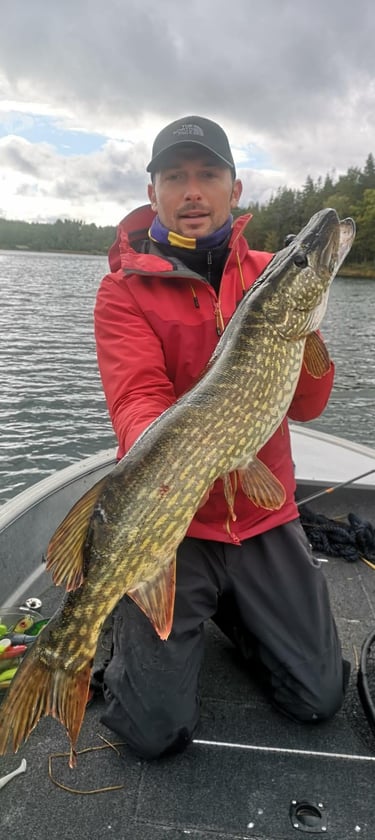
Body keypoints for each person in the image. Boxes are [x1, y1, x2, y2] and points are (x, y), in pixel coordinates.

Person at [93, 115, 349, 760]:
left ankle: (233, 611)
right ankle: (123, 624)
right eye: (175, 177)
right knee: (152, 734)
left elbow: (312, 406)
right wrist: (180, 455)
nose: (193, 191)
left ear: (235, 190)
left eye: (208, 175)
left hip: (264, 516)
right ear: (153, 193)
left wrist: (301, 328)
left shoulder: (270, 272)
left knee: (317, 699)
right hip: (175, 523)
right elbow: (136, 399)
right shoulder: (124, 290)